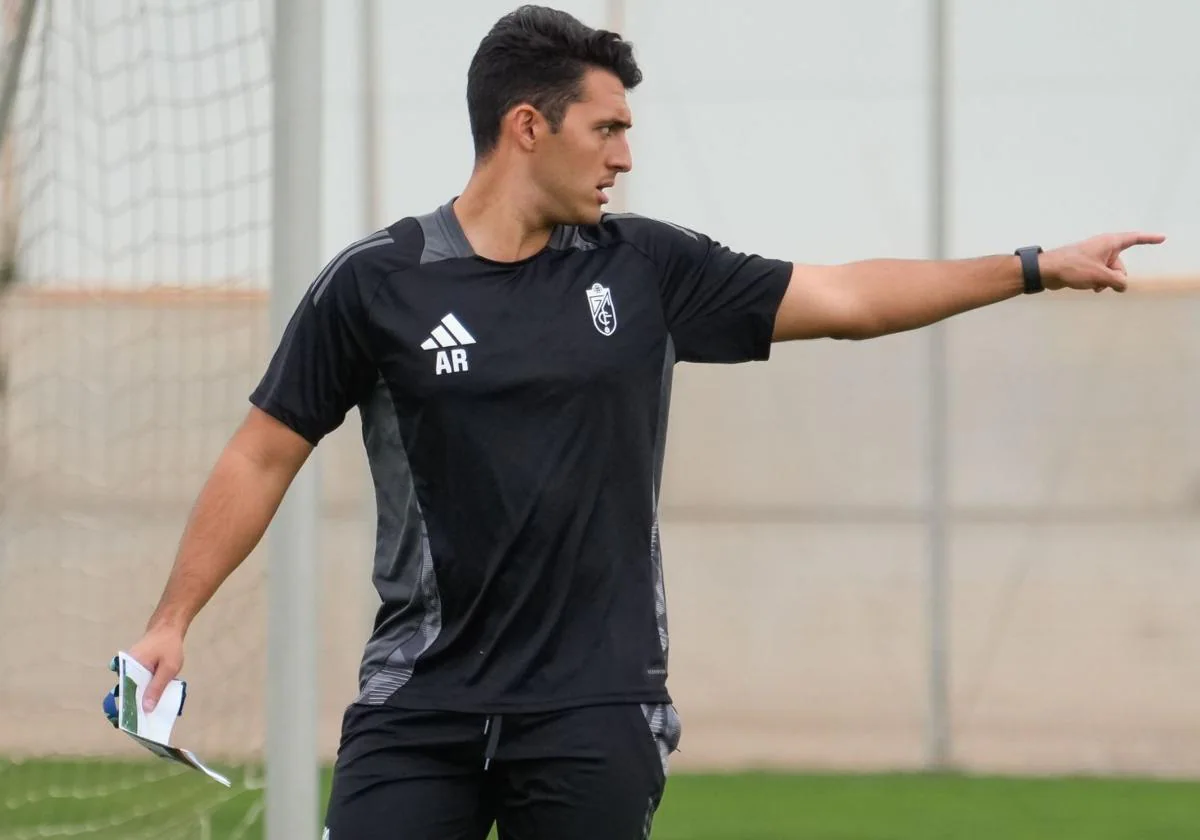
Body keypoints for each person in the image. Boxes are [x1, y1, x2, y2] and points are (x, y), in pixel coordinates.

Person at [114, 5, 1164, 838]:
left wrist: (1031, 268)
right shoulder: (376, 283)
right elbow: (262, 453)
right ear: (529, 127)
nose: (623, 157)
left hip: (594, 711)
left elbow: (846, 298)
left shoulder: (650, 269)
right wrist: (172, 620)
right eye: (606, 128)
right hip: (418, 704)